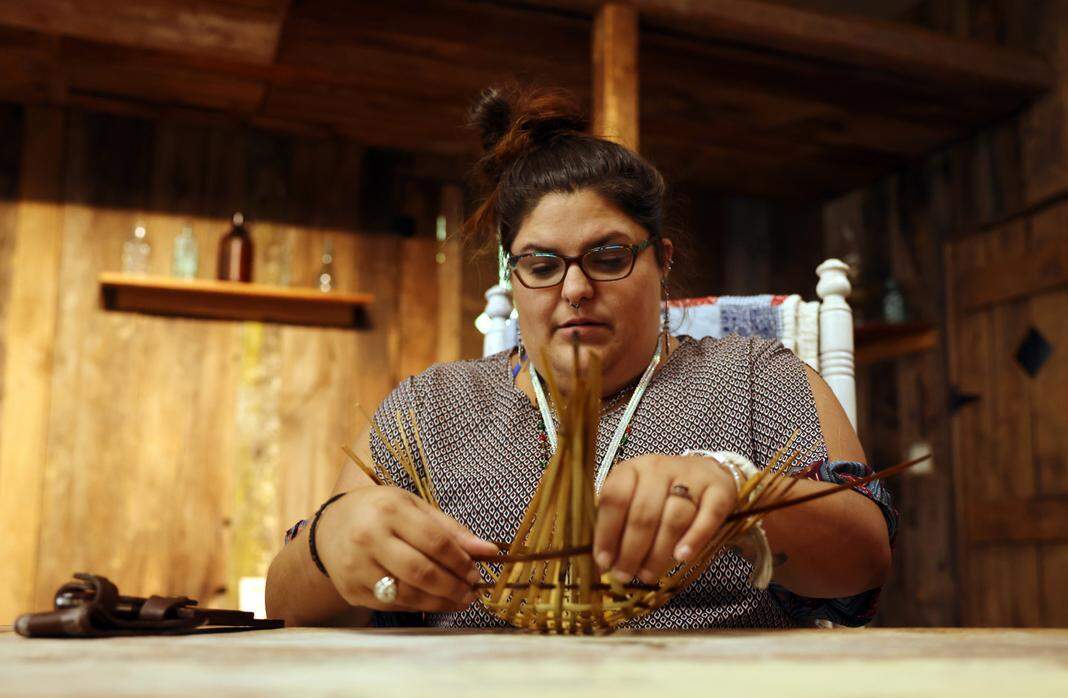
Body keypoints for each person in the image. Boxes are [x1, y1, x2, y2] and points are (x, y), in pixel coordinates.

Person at [265, 85, 895, 629]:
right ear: (513, 277)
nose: (574, 289)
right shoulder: (429, 411)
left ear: (662, 260)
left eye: (609, 256)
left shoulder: (761, 377)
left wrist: (744, 494)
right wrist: (329, 542)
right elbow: (285, 605)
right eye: (541, 264)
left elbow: (866, 564)